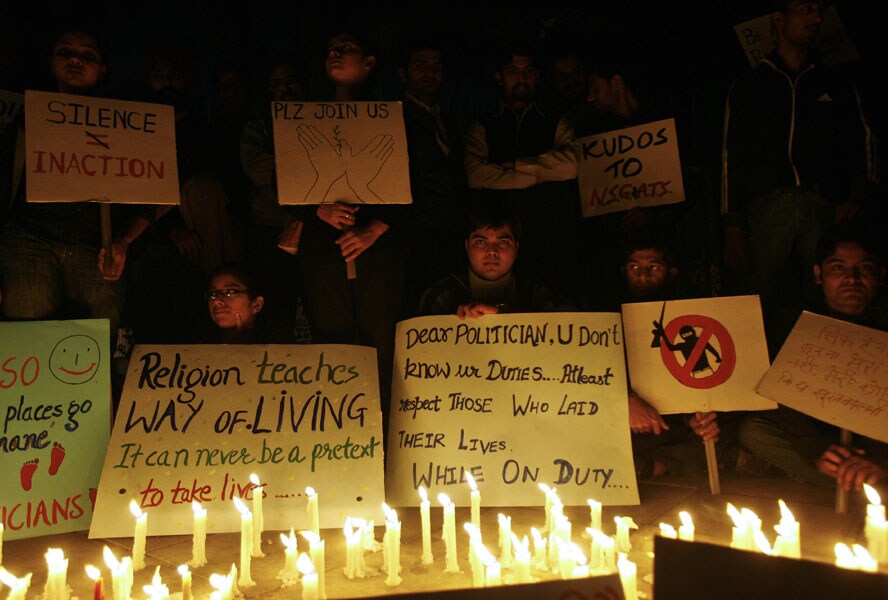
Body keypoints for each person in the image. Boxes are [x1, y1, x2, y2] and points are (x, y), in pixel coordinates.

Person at [721, 0, 877, 313]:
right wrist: (733, 226)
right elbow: (731, 156)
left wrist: (856, 197)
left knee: (827, 298)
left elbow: (863, 143)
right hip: (768, 207)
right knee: (754, 297)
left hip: (824, 204)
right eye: (805, 9)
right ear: (779, 19)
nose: (816, 17)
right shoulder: (750, 86)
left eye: (820, 10)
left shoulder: (835, 81)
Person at [0, 28, 151, 339]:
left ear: (103, 69)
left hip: (97, 245)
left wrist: (122, 241)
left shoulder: (125, 126)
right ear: (51, 63)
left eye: (88, 55)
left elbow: (153, 193)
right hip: (29, 240)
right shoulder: (24, 124)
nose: (74, 59)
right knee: (31, 343)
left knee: (94, 348)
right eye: (64, 51)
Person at [297, 28, 405, 429]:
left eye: (346, 48)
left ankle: (386, 441)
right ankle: (338, 443)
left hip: (380, 254)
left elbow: (425, 187)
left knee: (381, 345)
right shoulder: (302, 117)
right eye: (330, 49)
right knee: (332, 346)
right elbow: (284, 184)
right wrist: (318, 210)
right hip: (325, 254)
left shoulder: (395, 116)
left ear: (370, 61)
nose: (335, 54)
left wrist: (375, 228)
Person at [738, 226, 888, 489]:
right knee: (754, 430)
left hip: (879, 440)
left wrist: (878, 457)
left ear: (880, 275)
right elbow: (778, 395)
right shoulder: (794, 322)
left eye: (863, 269)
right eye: (838, 268)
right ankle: (850, 482)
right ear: (819, 274)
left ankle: (862, 480)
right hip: (816, 433)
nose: (852, 279)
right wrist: (817, 451)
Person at [463, 43, 579, 299]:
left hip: (552, 233)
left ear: (537, 76)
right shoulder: (483, 124)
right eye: (513, 70)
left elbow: (572, 166)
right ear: (499, 77)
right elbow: (477, 175)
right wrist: (542, 173)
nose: (521, 77)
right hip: (499, 240)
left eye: (528, 71)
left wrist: (513, 166)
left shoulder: (557, 118)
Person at [615, 232, 726, 478]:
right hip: (617, 423)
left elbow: (681, 385)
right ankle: (659, 466)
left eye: (654, 267)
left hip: (667, 426)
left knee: (719, 433)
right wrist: (623, 400)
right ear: (623, 271)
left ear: (672, 272)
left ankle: (655, 466)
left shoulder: (689, 318)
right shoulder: (605, 317)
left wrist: (692, 419)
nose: (643, 275)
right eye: (635, 266)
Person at [397, 38, 466, 314]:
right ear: (403, 74)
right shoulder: (393, 118)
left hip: (451, 231)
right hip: (413, 236)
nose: (430, 72)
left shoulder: (448, 117)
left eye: (436, 66)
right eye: (421, 65)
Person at [418, 203, 573, 317]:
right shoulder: (441, 295)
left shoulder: (537, 290)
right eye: (480, 242)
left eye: (503, 242)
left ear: (516, 248)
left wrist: (501, 313)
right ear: (467, 246)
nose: (492, 251)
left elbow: (572, 326)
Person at [204, 263, 292, 344]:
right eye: (213, 294)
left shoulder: (281, 347)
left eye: (230, 292)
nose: (216, 301)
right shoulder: (198, 344)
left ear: (256, 304)